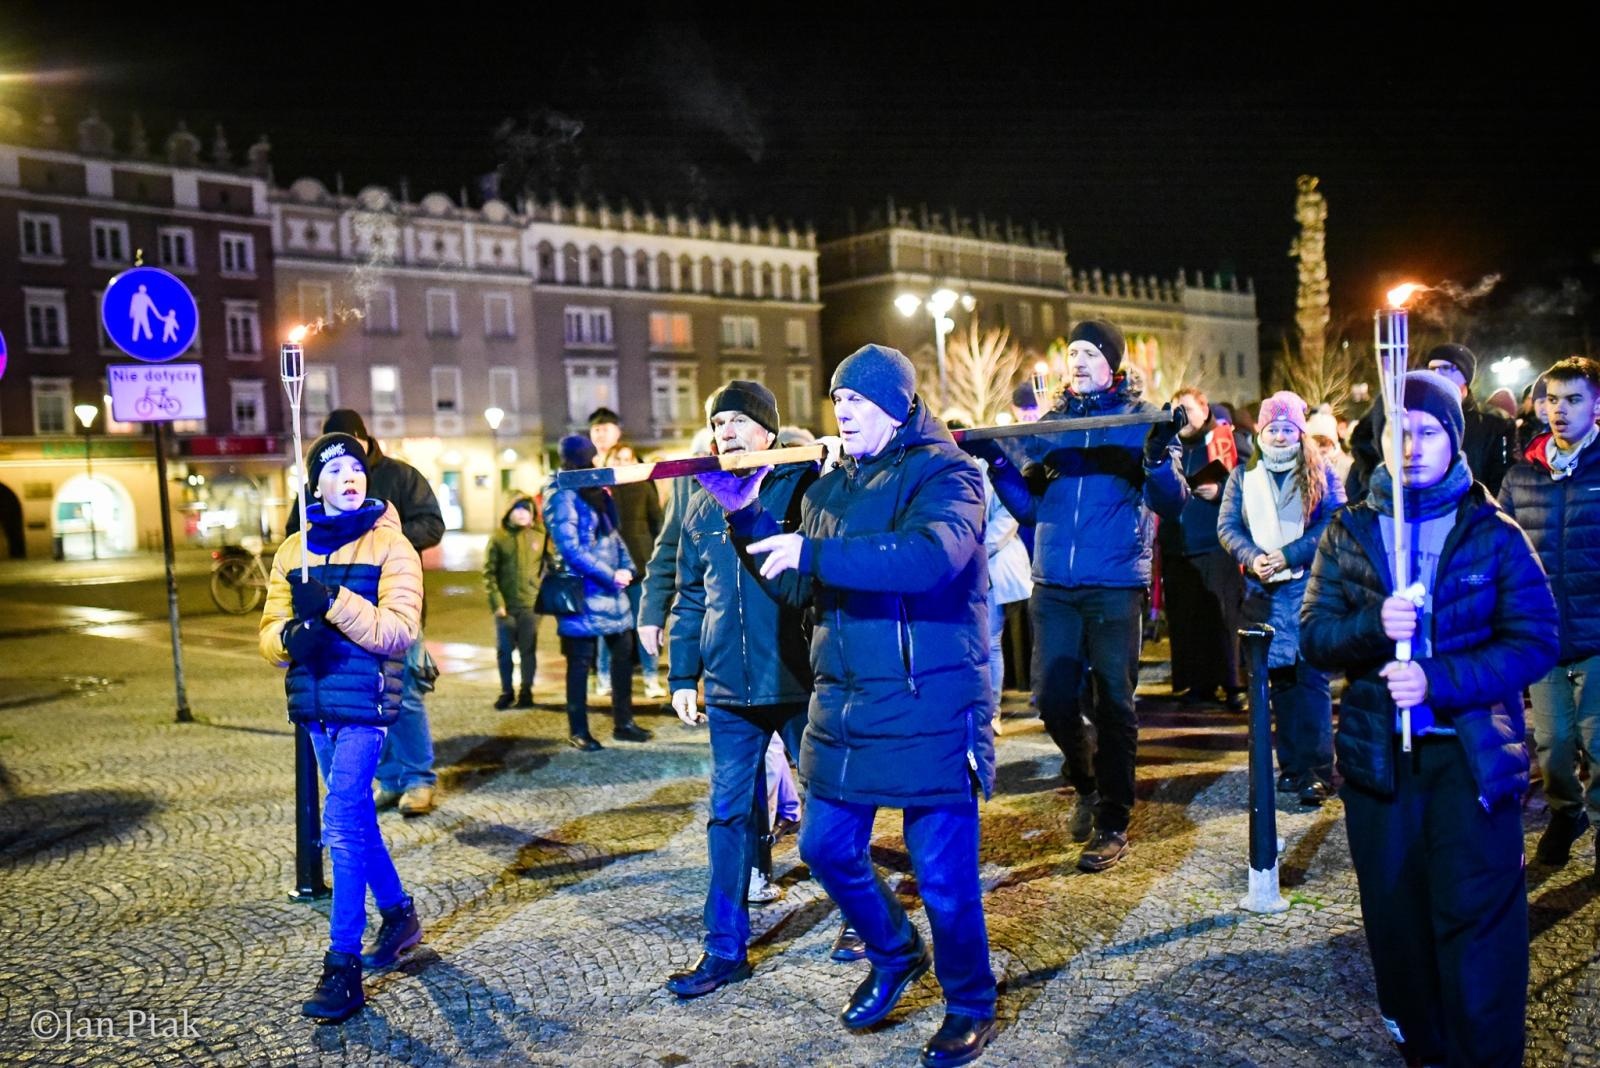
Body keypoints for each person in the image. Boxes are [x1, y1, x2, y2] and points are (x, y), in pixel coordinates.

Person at [700, 344, 1000, 1067]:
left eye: (858, 400)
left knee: (946, 881)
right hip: (846, 704)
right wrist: (749, 524)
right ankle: (896, 952)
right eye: (838, 400)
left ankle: (970, 1003)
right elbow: (803, 592)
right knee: (824, 847)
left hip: (931, 699)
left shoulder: (950, 474)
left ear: (898, 407)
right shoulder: (828, 491)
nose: (844, 411)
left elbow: (930, 558)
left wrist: (812, 555)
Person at [1300, 370, 1558, 1066]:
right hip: (1380, 766)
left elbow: (1536, 637)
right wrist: (1371, 625)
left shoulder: (1491, 529)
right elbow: (1314, 636)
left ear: (1453, 437)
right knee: (1398, 927)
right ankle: (1427, 1051)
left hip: (1470, 760)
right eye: (1395, 430)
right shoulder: (1350, 530)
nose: (1409, 444)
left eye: (1427, 430)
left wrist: (1438, 681)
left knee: (1479, 930)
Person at [967, 318, 1187, 871]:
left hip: (1114, 583)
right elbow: (1031, 509)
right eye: (1073, 353)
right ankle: (1086, 779)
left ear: (1113, 363)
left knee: (1115, 702)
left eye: (1091, 353)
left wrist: (1158, 459)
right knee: (1051, 698)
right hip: (1055, 585)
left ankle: (1113, 818)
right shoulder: (1052, 426)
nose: (1080, 362)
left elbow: (1172, 503)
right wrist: (998, 462)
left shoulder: (1139, 422)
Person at [260, 431, 424, 1023]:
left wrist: (331, 603)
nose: (351, 478)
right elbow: (268, 632)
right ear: (316, 486)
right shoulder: (291, 552)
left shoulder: (392, 546)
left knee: (341, 822)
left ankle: (342, 963)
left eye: (357, 469)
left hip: (366, 704)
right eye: (336, 471)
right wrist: (288, 640)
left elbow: (398, 630)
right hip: (314, 705)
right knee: (353, 816)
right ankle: (400, 913)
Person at [662, 380, 818, 999]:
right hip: (729, 689)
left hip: (799, 678)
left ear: (768, 434)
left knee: (832, 803)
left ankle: (863, 922)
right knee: (727, 814)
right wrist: (682, 673)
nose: (724, 430)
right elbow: (691, 591)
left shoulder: (802, 487)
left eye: (737, 421)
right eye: (717, 421)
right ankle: (723, 946)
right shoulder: (702, 499)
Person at [288, 409, 445, 817]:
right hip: (334, 611)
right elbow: (296, 536)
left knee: (403, 693)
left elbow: (432, 524)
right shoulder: (317, 482)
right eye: (332, 463)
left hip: (392, 602)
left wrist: (379, 542)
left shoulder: (400, 476)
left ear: (363, 439)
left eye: (351, 459)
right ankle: (390, 779)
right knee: (363, 699)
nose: (345, 474)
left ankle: (418, 778)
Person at [1218, 391, 1346, 806]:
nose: (1278, 436)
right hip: (1263, 593)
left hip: (1308, 588)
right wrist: (1253, 558)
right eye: (1271, 428)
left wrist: (1290, 555)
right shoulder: (1243, 476)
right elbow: (1228, 527)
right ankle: (1291, 766)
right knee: (1280, 684)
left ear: (1300, 431)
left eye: (1286, 428)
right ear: (1260, 431)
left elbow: (1334, 522)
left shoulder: (1321, 471)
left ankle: (1318, 771)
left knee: (1311, 682)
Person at [1497, 356, 1600, 869]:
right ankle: (1566, 812)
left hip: (1598, 633)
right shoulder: (1522, 475)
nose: (1561, 410)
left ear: (1596, 405)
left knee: (1597, 741)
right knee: (1553, 743)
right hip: (1544, 636)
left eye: (1574, 399)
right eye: (1553, 399)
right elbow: (1502, 549)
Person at [542, 435, 654, 750]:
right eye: (587, 457)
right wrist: (610, 575)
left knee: (622, 654)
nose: (593, 462)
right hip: (583, 591)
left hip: (611, 588)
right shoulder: (561, 493)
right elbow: (571, 549)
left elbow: (612, 535)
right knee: (579, 663)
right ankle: (579, 729)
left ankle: (624, 722)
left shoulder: (594, 489)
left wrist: (628, 568)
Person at [1159, 387, 1246, 711]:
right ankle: (1199, 683)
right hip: (1178, 546)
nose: (1183, 417)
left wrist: (1221, 490)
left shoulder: (1223, 441)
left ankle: (1233, 683)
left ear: (1204, 409)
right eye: (1177, 412)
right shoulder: (1168, 446)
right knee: (1187, 620)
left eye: (1188, 410)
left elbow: (1247, 482)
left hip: (1215, 544)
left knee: (1223, 618)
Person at [589, 408, 666, 699]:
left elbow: (656, 522)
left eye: (627, 459)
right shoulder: (600, 490)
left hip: (640, 565)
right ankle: (603, 677)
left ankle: (650, 679)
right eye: (617, 459)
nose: (622, 463)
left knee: (645, 624)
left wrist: (656, 558)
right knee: (607, 627)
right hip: (608, 569)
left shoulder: (644, 486)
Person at [484, 490, 543, 710]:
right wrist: (497, 602)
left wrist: (540, 591)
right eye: (517, 509)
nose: (521, 514)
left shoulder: (540, 535)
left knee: (528, 649)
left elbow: (549, 564)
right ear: (509, 512)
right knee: (505, 650)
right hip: (506, 607)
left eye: (526, 510)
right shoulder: (499, 538)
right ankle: (506, 690)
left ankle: (526, 690)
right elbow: (489, 573)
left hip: (531, 605)